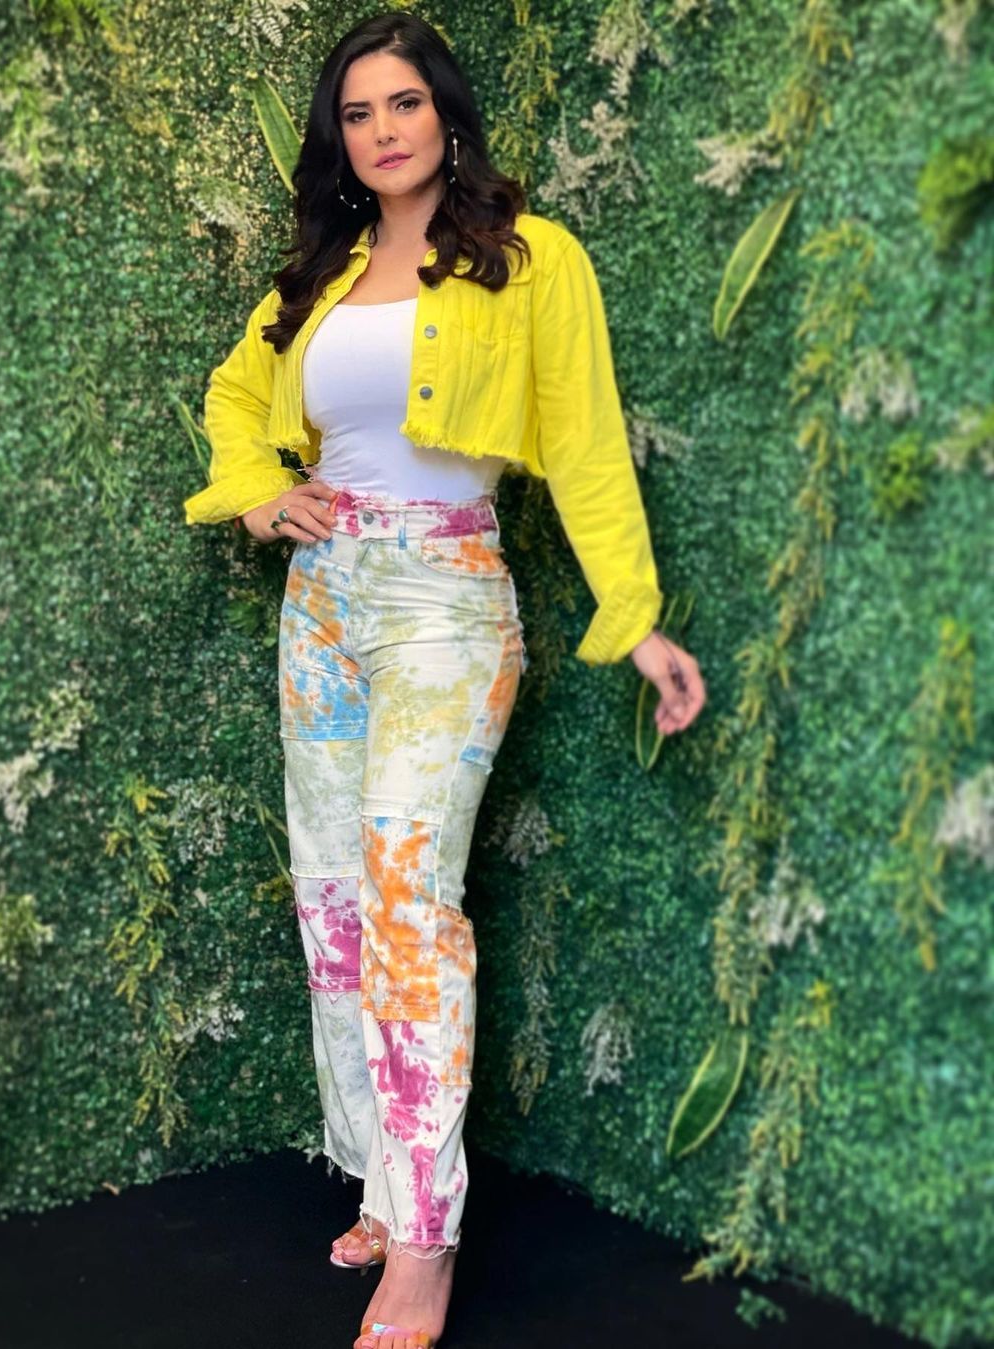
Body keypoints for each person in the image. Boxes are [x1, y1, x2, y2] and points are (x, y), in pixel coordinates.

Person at [183, 14, 706, 1349]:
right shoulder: (321, 275)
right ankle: (377, 1177)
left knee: (409, 907)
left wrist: (636, 619)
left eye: (404, 102)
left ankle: (424, 1241)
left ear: (446, 113)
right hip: (322, 607)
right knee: (335, 902)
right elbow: (236, 399)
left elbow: (585, 439)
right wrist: (258, 497)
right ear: (340, 140)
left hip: (444, 600)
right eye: (357, 113)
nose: (383, 130)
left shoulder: (529, 259)